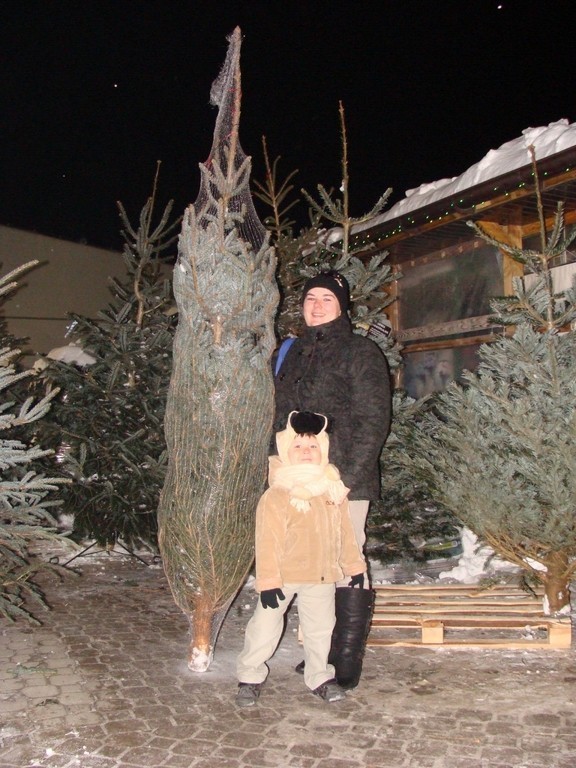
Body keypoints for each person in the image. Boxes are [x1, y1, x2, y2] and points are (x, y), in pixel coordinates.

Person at [273, 270, 392, 689]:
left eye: (327, 298)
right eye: (310, 298)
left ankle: (346, 659)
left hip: (344, 478)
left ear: (342, 306)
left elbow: (373, 420)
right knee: (310, 564)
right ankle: (319, 654)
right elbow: (276, 418)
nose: (317, 305)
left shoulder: (360, 352)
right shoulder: (289, 352)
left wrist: (349, 478)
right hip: (296, 479)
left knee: (346, 560)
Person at [235, 410, 366, 708]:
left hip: (322, 576)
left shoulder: (332, 490)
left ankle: (319, 676)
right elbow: (267, 541)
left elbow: (344, 532)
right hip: (283, 576)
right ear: (285, 451)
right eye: (299, 446)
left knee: (321, 628)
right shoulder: (278, 495)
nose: (306, 452)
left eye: (313, 447)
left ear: (323, 450)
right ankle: (250, 676)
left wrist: (354, 566)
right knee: (264, 627)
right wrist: (268, 581)